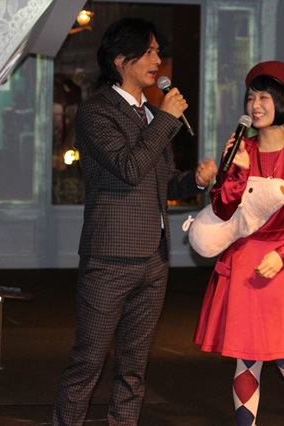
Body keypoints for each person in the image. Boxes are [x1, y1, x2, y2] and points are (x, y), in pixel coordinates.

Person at [52, 17, 217, 426]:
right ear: (121, 60)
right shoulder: (96, 113)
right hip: (110, 257)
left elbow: (159, 182)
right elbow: (128, 167)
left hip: (154, 258)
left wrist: (194, 181)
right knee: (88, 361)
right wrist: (165, 120)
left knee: (133, 367)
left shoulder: (151, 116)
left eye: (158, 51)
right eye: (149, 52)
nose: (158, 61)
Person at [193, 61, 284, 426]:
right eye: (251, 97)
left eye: (264, 97)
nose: (254, 105)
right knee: (247, 358)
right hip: (243, 263)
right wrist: (236, 170)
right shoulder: (240, 149)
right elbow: (222, 210)